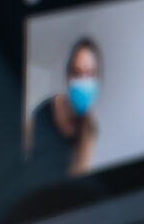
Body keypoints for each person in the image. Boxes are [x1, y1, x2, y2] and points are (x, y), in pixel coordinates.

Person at [23, 38, 101, 180]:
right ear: (68, 76)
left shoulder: (89, 127)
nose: (84, 81)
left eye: (90, 74)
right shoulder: (42, 112)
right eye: (77, 73)